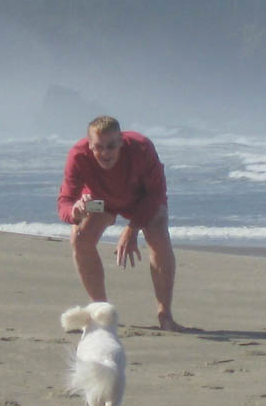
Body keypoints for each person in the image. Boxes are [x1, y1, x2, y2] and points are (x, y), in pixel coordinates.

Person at [57, 115, 184, 331]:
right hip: (100, 202)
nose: (105, 153)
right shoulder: (78, 155)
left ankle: (165, 315)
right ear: (89, 145)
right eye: (99, 147)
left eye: (111, 146)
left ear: (121, 142)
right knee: (79, 238)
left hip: (140, 200)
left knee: (159, 235)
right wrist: (76, 212)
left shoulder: (141, 148)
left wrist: (132, 228)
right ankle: (101, 311)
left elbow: (156, 194)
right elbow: (64, 202)